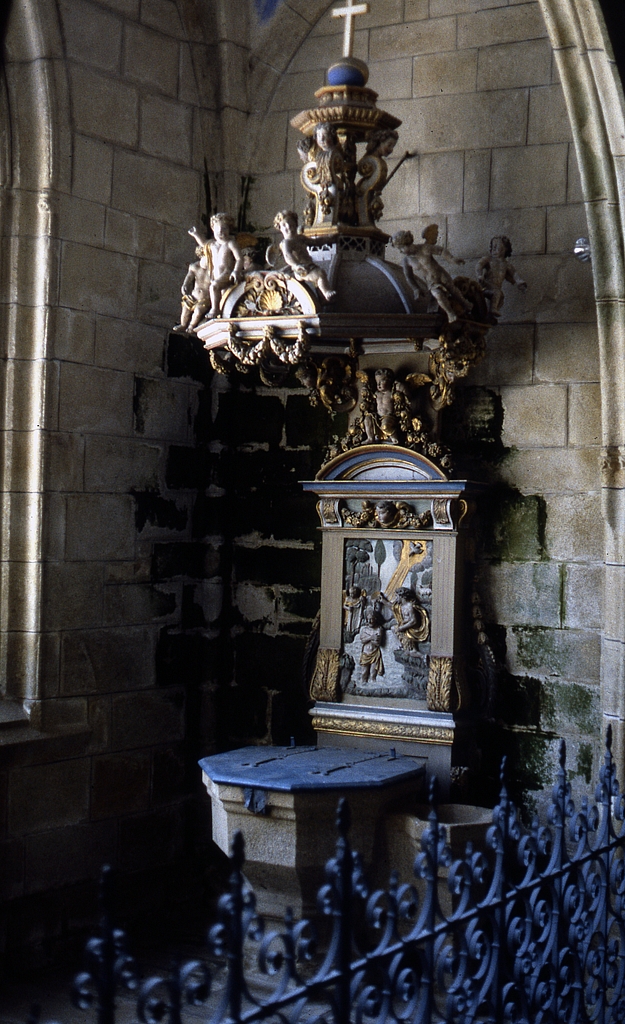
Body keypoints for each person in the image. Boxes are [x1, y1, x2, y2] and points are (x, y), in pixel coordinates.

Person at [174, 215, 244, 331]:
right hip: (215, 275)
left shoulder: (230, 243)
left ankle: (215, 309)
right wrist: (196, 234)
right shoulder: (212, 244)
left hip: (226, 273)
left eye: (224, 229)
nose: (221, 232)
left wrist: (236, 271)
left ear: (229, 229)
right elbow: (203, 244)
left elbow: (239, 259)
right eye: (217, 229)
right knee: (216, 291)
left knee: (214, 286)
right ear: (213, 229)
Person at [392, 224, 472, 323]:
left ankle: (465, 304)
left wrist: (452, 259)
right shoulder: (406, 261)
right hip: (431, 281)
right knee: (438, 295)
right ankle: (450, 313)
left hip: (441, 275)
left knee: (453, 290)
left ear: (407, 243)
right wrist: (416, 288)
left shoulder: (424, 248)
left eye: (401, 248)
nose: (400, 252)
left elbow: (441, 251)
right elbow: (409, 277)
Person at [273, 210, 336, 301]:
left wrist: (328, 239)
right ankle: (327, 293)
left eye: (291, 224)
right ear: (280, 228)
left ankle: (323, 298)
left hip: (309, 266)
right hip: (300, 270)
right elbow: (288, 256)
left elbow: (315, 242)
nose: (288, 227)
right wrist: (296, 265)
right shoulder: (287, 243)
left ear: (295, 225)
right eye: (284, 225)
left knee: (319, 276)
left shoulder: (300, 238)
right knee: (320, 274)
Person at [477, 235, 527, 317]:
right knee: (497, 293)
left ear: (505, 248)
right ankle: (493, 309)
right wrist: (480, 275)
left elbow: (514, 274)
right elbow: (479, 265)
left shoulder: (506, 265)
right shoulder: (488, 259)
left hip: (496, 287)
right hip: (486, 285)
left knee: (501, 298)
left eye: (497, 245)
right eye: (493, 246)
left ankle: (490, 313)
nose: (494, 248)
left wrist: (519, 282)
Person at [359, 607, 385, 682]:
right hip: (366, 653)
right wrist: (371, 637)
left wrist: (367, 638)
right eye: (368, 619)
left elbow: (377, 643)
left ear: (375, 619)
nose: (369, 621)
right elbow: (362, 640)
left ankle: (372, 684)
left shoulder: (379, 629)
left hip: (374, 653)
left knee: (373, 673)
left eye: (371, 619)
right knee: (364, 672)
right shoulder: (364, 629)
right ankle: (363, 683)